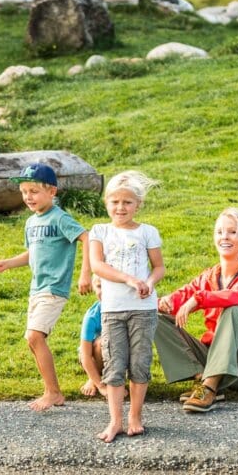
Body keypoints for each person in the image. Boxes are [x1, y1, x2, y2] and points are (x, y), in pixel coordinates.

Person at [0, 162, 92, 411]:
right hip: (36, 289)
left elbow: (87, 237)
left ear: (52, 192)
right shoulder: (31, 223)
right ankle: (51, 390)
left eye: (34, 191)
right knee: (32, 340)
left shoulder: (60, 217)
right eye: (24, 192)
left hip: (54, 288)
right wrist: (8, 264)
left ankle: (53, 393)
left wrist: (85, 273)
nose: (28, 197)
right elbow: (32, 253)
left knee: (35, 336)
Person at [155, 207, 238, 413]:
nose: (224, 237)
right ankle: (202, 378)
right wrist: (163, 301)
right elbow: (182, 296)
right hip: (213, 358)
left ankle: (209, 386)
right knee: (155, 317)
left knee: (235, 310)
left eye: (231, 232)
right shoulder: (209, 276)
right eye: (219, 232)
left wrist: (201, 299)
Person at [88, 171, 164, 442]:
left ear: (138, 205)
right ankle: (115, 421)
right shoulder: (100, 231)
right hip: (112, 309)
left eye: (127, 203)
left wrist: (150, 283)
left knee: (140, 363)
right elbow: (98, 266)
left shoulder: (148, 232)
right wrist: (129, 279)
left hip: (143, 309)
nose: (121, 208)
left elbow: (158, 267)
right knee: (114, 364)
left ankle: (135, 417)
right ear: (106, 203)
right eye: (115, 202)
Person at [78, 277, 105, 398]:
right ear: (94, 288)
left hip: (117, 355)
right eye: (99, 287)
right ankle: (94, 378)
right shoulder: (92, 316)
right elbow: (85, 355)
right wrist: (101, 387)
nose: (103, 291)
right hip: (92, 356)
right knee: (102, 342)